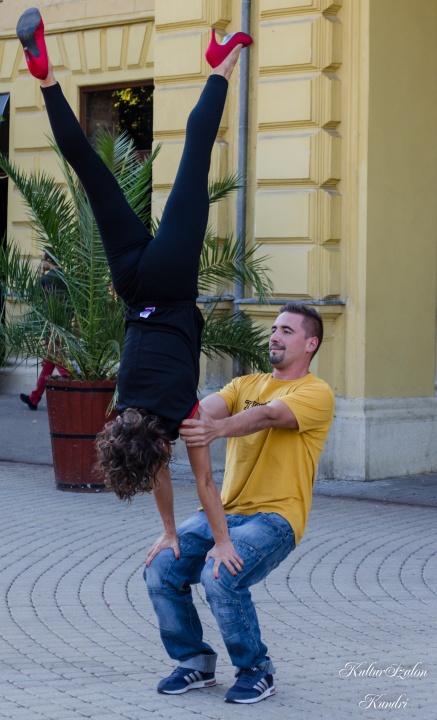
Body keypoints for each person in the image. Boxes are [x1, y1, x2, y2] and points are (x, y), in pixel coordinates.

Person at [16, 9, 253, 570]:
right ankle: (45, 78)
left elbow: (203, 485)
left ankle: (220, 68)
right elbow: (152, 463)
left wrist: (215, 541)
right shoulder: (123, 408)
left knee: (196, 157)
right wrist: (168, 529)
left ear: (158, 451)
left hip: (170, 284)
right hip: (130, 282)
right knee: (89, 170)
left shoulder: (184, 419)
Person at [144, 303, 335, 703]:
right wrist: (159, 417)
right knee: (161, 566)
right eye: (274, 329)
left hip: (276, 518)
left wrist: (217, 429)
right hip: (224, 512)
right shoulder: (243, 384)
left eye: (287, 331)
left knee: (220, 574)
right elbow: (200, 412)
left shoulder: (316, 393)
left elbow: (269, 416)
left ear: (311, 344)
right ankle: (194, 661)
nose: (275, 336)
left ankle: (256, 669)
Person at [20, 249, 69, 411]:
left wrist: (41, 272)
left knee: (57, 359)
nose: (42, 262)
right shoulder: (67, 279)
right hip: (65, 325)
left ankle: (73, 382)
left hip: (51, 326)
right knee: (50, 361)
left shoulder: (46, 279)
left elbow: (34, 297)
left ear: (48, 260)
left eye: (43, 259)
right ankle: (34, 398)